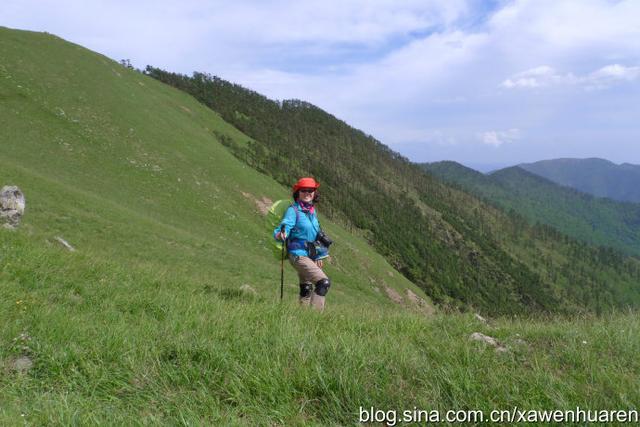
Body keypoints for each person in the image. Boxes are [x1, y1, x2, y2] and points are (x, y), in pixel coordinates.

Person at [274, 177, 331, 311]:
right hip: (298, 255)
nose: (307, 193)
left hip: (310, 254)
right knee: (323, 283)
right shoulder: (293, 211)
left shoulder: (312, 211)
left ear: (314, 193)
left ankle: (302, 316)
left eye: (310, 190)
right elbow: (283, 228)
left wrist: (318, 256)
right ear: (297, 193)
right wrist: (282, 234)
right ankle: (315, 319)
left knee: (306, 288)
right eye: (303, 190)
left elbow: (315, 234)